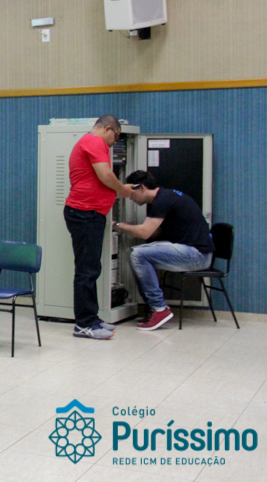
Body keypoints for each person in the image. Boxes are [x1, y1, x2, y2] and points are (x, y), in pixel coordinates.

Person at [115, 170, 215, 331]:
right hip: (194, 252)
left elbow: (145, 233)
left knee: (138, 255)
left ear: (141, 187)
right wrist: (129, 227)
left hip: (197, 255)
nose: (130, 198)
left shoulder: (162, 200)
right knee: (135, 253)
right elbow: (154, 232)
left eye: (130, 193)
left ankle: (159, 308)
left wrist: (116, 225)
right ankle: (154, 308)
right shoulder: (165, 197)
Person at [64, 114, 134, 340]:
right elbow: (105, 175)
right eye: (116, 136)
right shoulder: (95, 142)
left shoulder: (90, 142)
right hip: (85, 213)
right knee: (87, 270)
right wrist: (122, 190)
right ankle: (84, 324)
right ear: (107, 129)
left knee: (91, 268)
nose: (115, 142)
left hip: (89, 214)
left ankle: (91, 318)